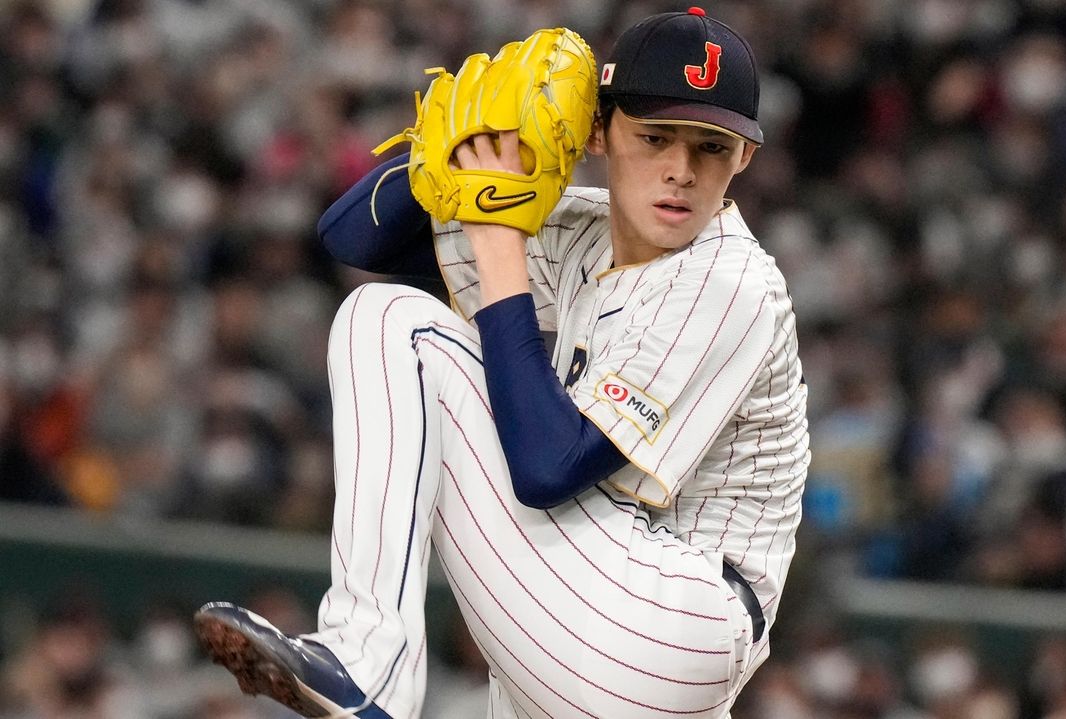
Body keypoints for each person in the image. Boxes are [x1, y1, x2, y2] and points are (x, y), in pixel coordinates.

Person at [193, 7, 809, 719]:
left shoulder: (727, 279)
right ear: (599, 132)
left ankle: (368, 662)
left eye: (710, 146)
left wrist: (498, 240)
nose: (679, 169)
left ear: (745, 158)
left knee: (395, 323)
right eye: (655, 137)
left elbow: (548, 468)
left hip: (665, 624)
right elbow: (350, 236)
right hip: (580, 622)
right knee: (379, 308)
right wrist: (464, 152)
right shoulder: (579, 231)